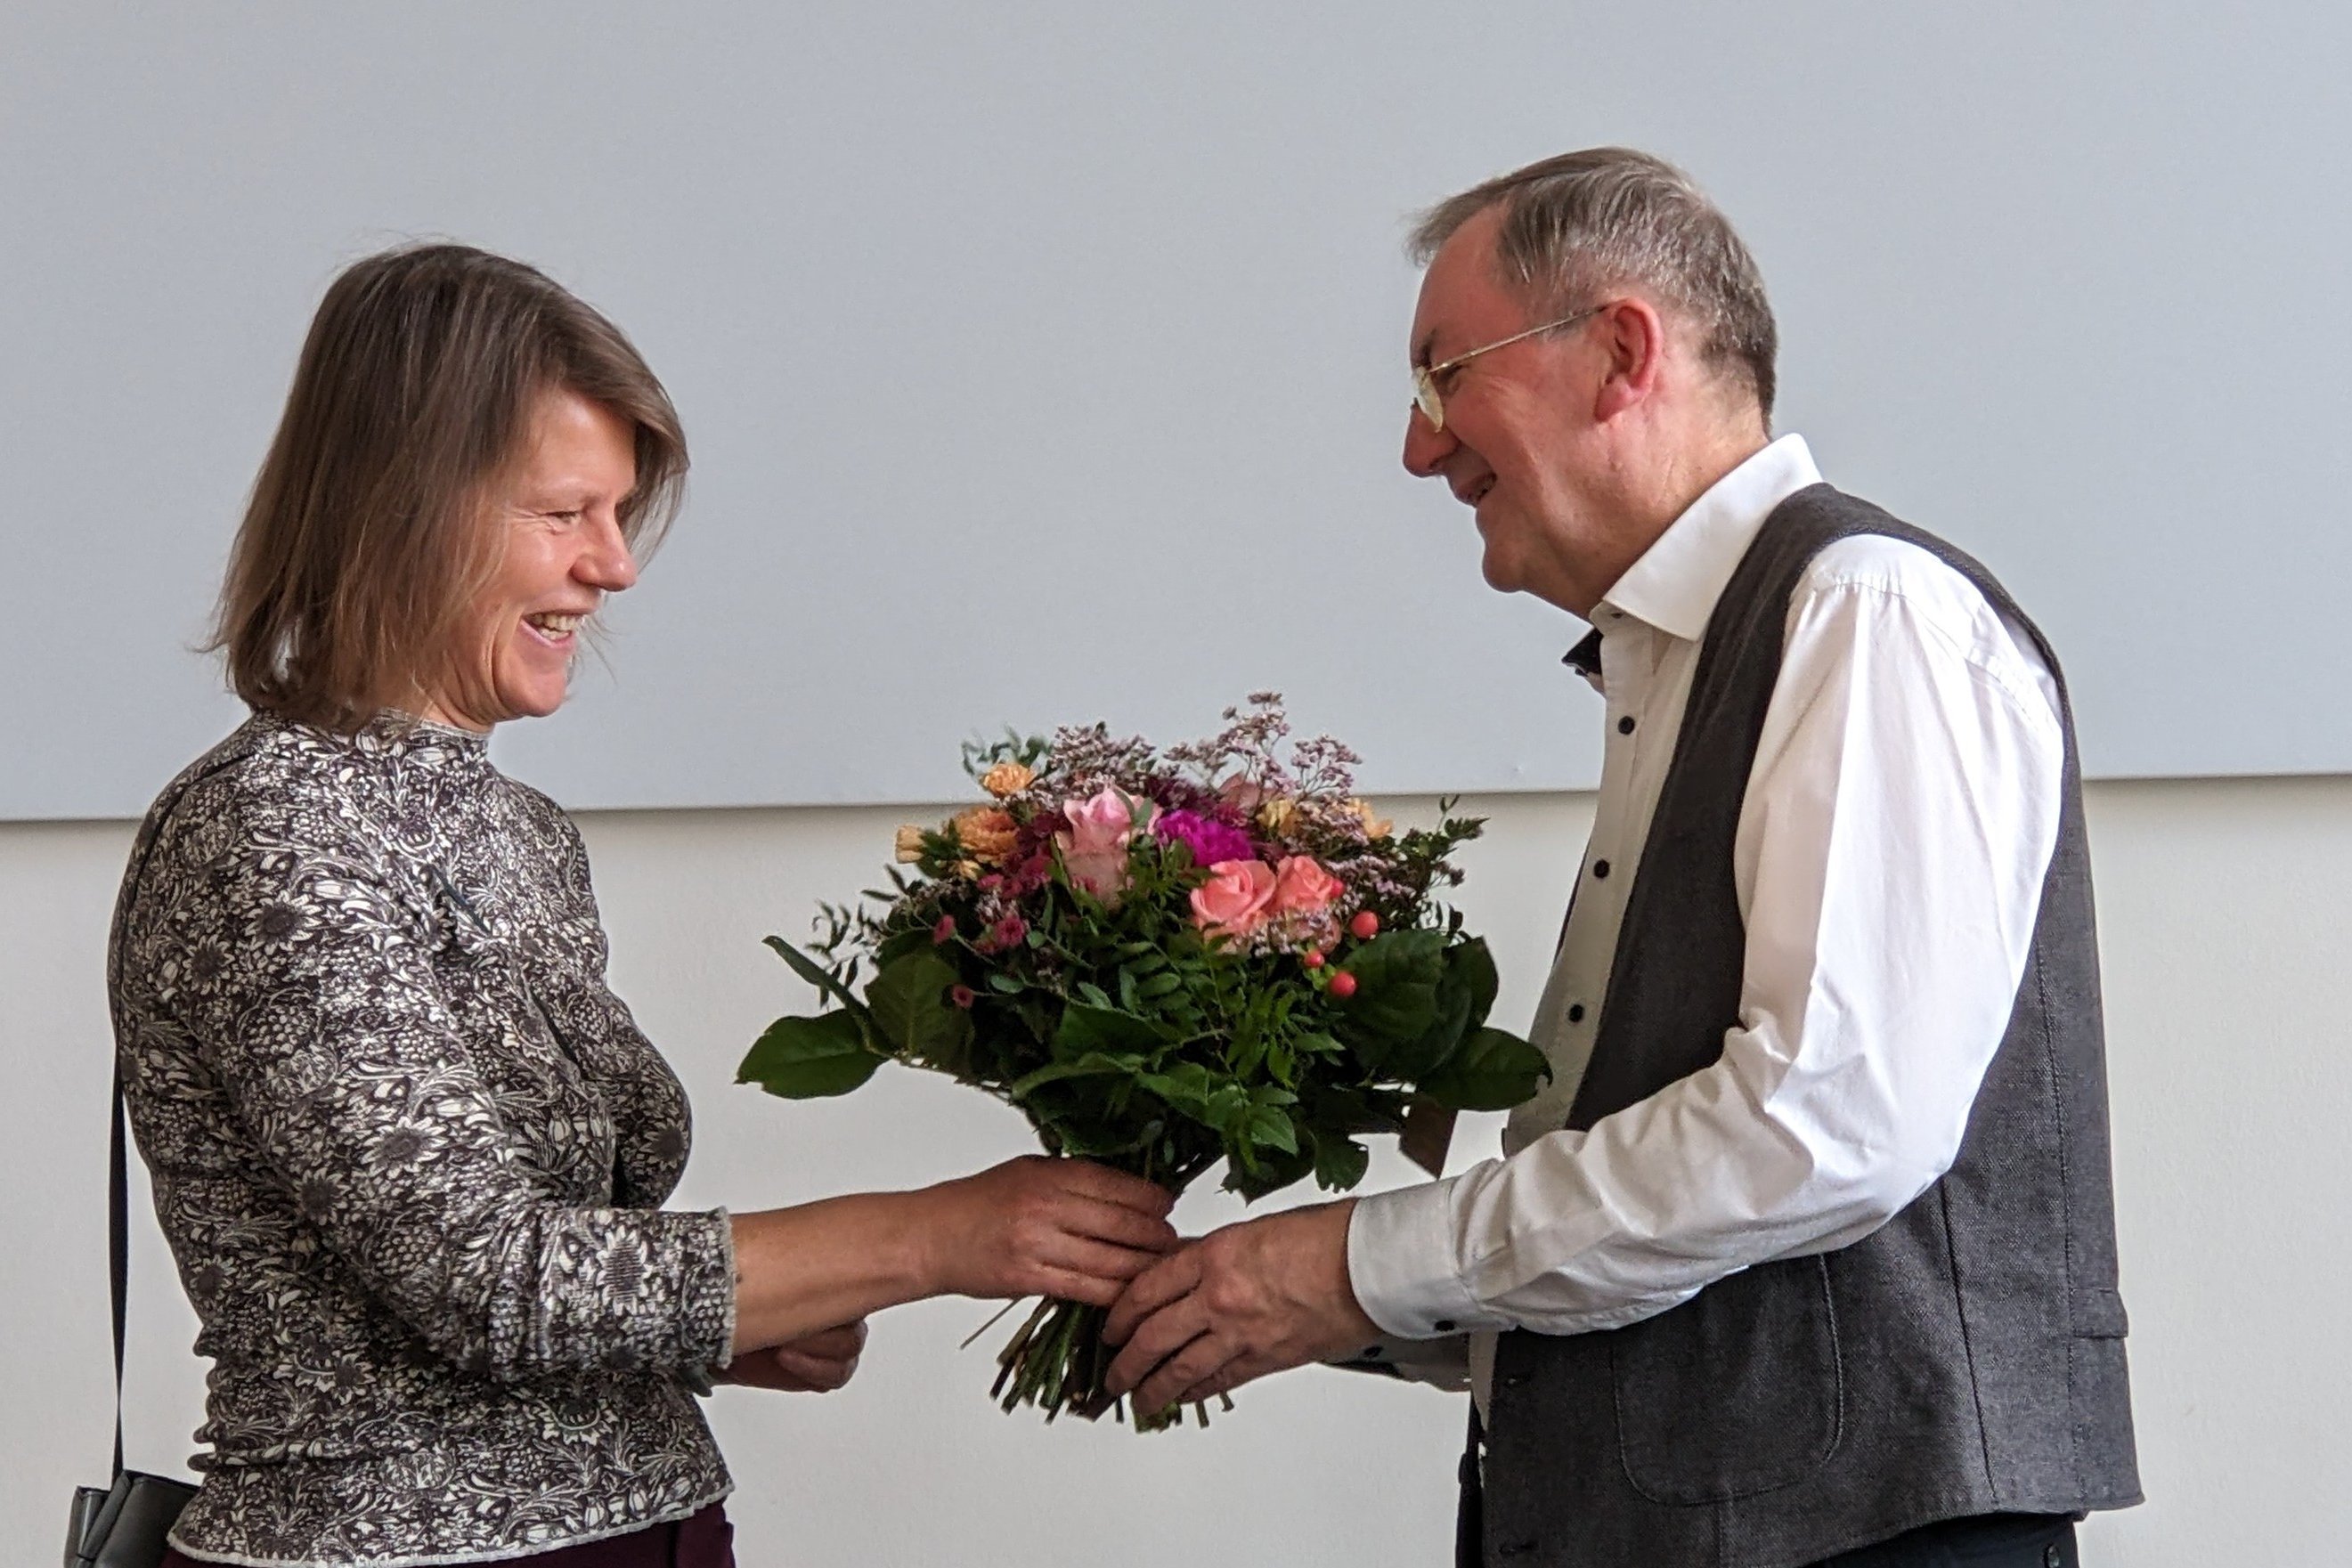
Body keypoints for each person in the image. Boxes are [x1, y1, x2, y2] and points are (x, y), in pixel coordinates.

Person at [1103, 148, 2141, 1566]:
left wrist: (1355, 1266)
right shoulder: (1710, 650)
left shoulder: (1866, 611)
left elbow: (1823, 1124)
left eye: (1440, 375)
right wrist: (1314, 1297)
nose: (1420, 447)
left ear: (1618, 351)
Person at [110, 243, 1177, 1567]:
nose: (612, 566)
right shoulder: (268, 829)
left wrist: (721, 1308)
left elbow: (539, 1256)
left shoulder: (521, 831)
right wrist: (941, 1234)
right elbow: (480, 1275)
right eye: (566, 512)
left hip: (646, 1527)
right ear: (405, 507)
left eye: (618, 514)